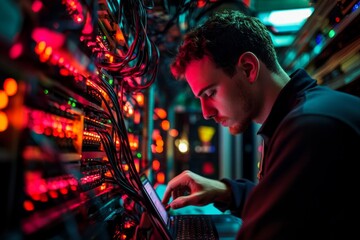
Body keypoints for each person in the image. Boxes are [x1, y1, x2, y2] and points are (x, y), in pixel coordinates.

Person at [161, 9, 360, 240]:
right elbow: (292, 207)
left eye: (211, 93)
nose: (206, 113)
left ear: (248, 68)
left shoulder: (308, 128)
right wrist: (224, 192)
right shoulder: (304, 113)